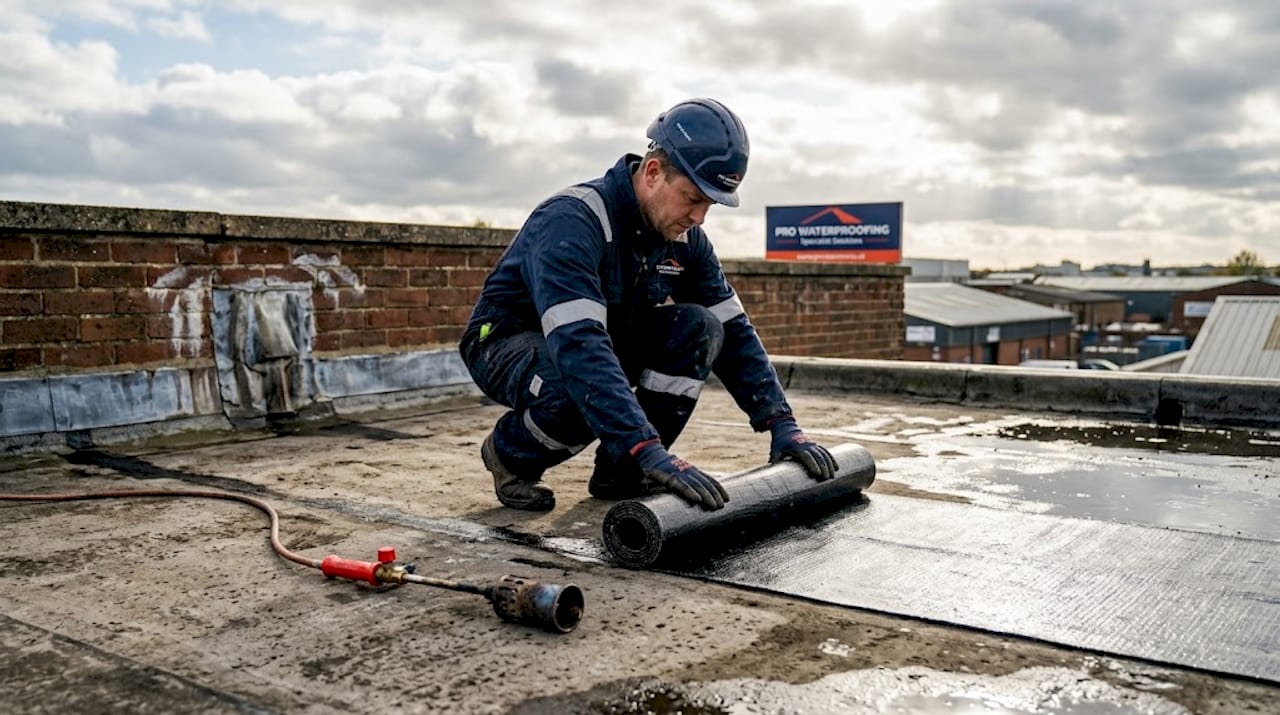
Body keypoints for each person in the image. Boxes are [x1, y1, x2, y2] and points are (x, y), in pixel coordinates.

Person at [459, 98, 837, 512]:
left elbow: (735, 330)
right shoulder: (572, 220)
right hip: (504, 342)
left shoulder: (684, 238)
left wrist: (782, 424)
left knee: (702, 327)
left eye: (709, 205)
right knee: (577, 385)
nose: (700, 217)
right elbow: (579, 344)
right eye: (693, 198)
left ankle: (622, 473)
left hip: (597, 341)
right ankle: (511, 455)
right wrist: (647, 446)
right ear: (654, 172)